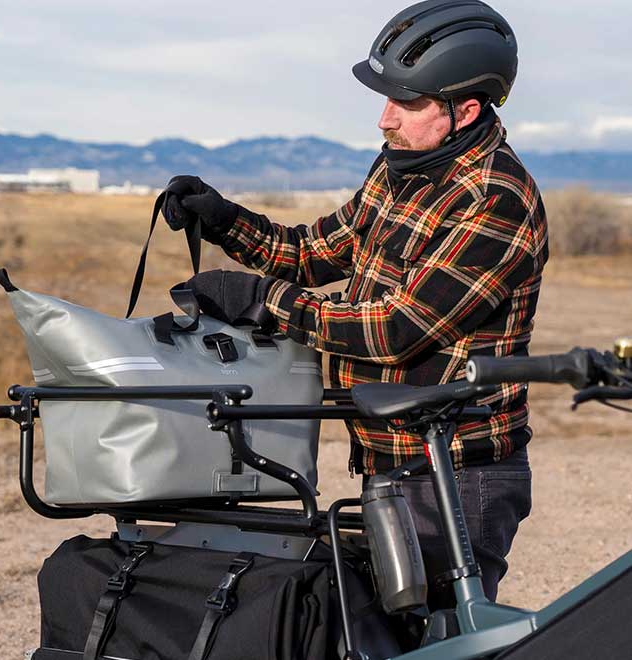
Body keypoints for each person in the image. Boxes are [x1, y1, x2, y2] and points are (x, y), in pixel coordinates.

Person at [163, 0, 548, 607]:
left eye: (406, 102)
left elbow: (395, 329)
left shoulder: (496, 198)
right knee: (372, 632)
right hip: (387, 457)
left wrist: (265, 302)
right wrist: (226, 221)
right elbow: (315, 252)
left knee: (438, 637)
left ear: (465, 109)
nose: (385, 120)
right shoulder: (401, 169)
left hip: (454, 468)